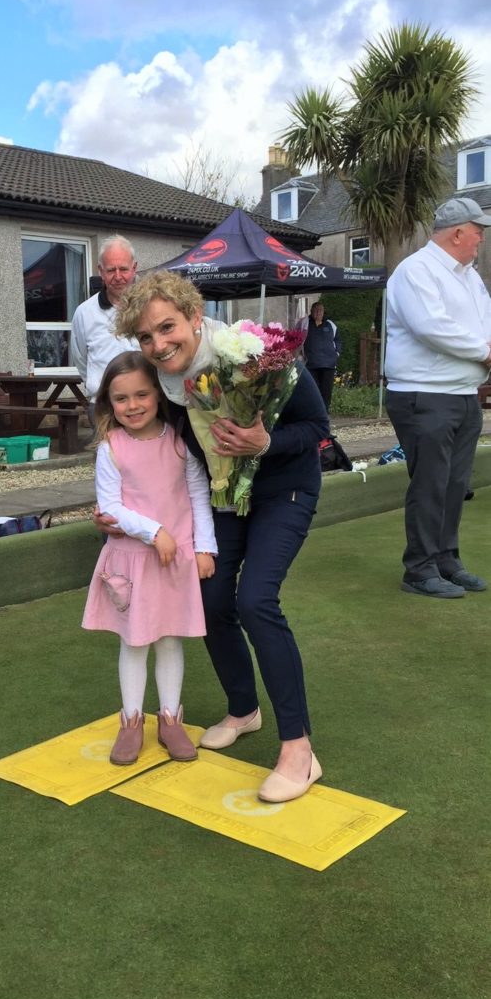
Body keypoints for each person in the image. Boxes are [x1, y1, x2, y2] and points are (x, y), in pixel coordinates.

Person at [104, 271, 329, 802]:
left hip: (283, 488)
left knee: (256, 600)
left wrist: (264, 441)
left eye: (167, 328)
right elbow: (163, 461)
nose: (159, 345)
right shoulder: (165, 385)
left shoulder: (257, 353)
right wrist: (116, 512)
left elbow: (317, 429)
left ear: (194, 318)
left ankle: (299, 751)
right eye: (145, 337)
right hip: (226, 499)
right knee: (207, 597)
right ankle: (243, 709)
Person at [82, 351, 217, 765]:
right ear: (109, 402)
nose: (133, 405)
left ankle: (171, 719)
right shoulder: (111, 448)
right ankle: (132, 720)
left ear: (159, 395)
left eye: (142, 394)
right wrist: (154, 531)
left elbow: (197, 495)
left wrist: (204, 547)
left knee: (171, 639)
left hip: (174, 562)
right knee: (134, 642)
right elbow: (110, 507)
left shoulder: (180, 442)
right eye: (121, 399)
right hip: (132, 563)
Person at [384, 195, 491, 599]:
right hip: (423, 394)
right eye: (478, 231)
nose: (481, 238)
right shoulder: (416, 271)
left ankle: (446, 560)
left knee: (454, 483)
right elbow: (431, 326)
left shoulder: (470, 277)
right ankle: (419, 569)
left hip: (462, 394)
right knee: (430, 484)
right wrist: (485, 351)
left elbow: (484, 323)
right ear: (458, 232)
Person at [69, 235, 140, 423]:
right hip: (103, 406)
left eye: (123, 269)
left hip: (146, 404)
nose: (118, 276)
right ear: (101, 271)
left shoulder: (150, 306)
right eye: (111, 270)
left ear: (134, 268)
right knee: (106, 453)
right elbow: (80, 359)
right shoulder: (84, 313)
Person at [296, 301, 342, 412]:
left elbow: (338, 340)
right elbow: (296, 337)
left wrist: (337, 353)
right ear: (311, 311)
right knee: (313, 390)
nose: (318, 312)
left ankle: (324, 413)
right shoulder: (305, 323)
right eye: (316, 310)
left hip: (328, 364)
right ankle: (313, 412)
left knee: (326, 392)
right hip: (311, 364)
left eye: (320, 310)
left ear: (324, 312)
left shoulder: (330, 324)